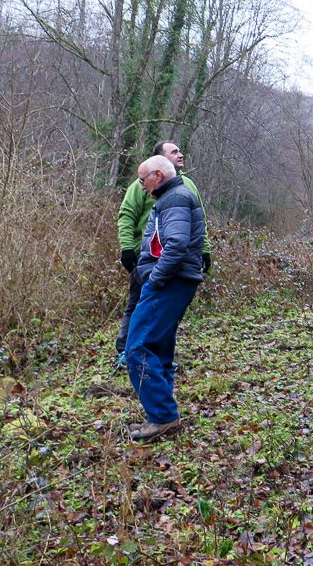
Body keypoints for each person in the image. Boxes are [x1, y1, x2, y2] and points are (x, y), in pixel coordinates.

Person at [125, 155, 205, 441]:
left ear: (157, 175)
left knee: (137, 347)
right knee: (158, 348)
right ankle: (162, 415)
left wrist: (155, 279)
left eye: (142, 179)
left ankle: (162, 416)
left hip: (169, 282)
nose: (141, 185)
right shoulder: (173, 196)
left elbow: (177, 244)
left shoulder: (175, 199)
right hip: (175, 281)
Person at [115, 141, 211, 367]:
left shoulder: (187, 185)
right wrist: (127, 249)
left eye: (179, 151)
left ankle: (159, 357)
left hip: (176, 262)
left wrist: (205, 249)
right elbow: (126, 216)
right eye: (174, 152)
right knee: (137, 304)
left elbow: (199, 219)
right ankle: (126, 352)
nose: (180, 154)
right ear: (160, 161)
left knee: (166, 312)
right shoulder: (141, 185)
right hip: (145, 258)